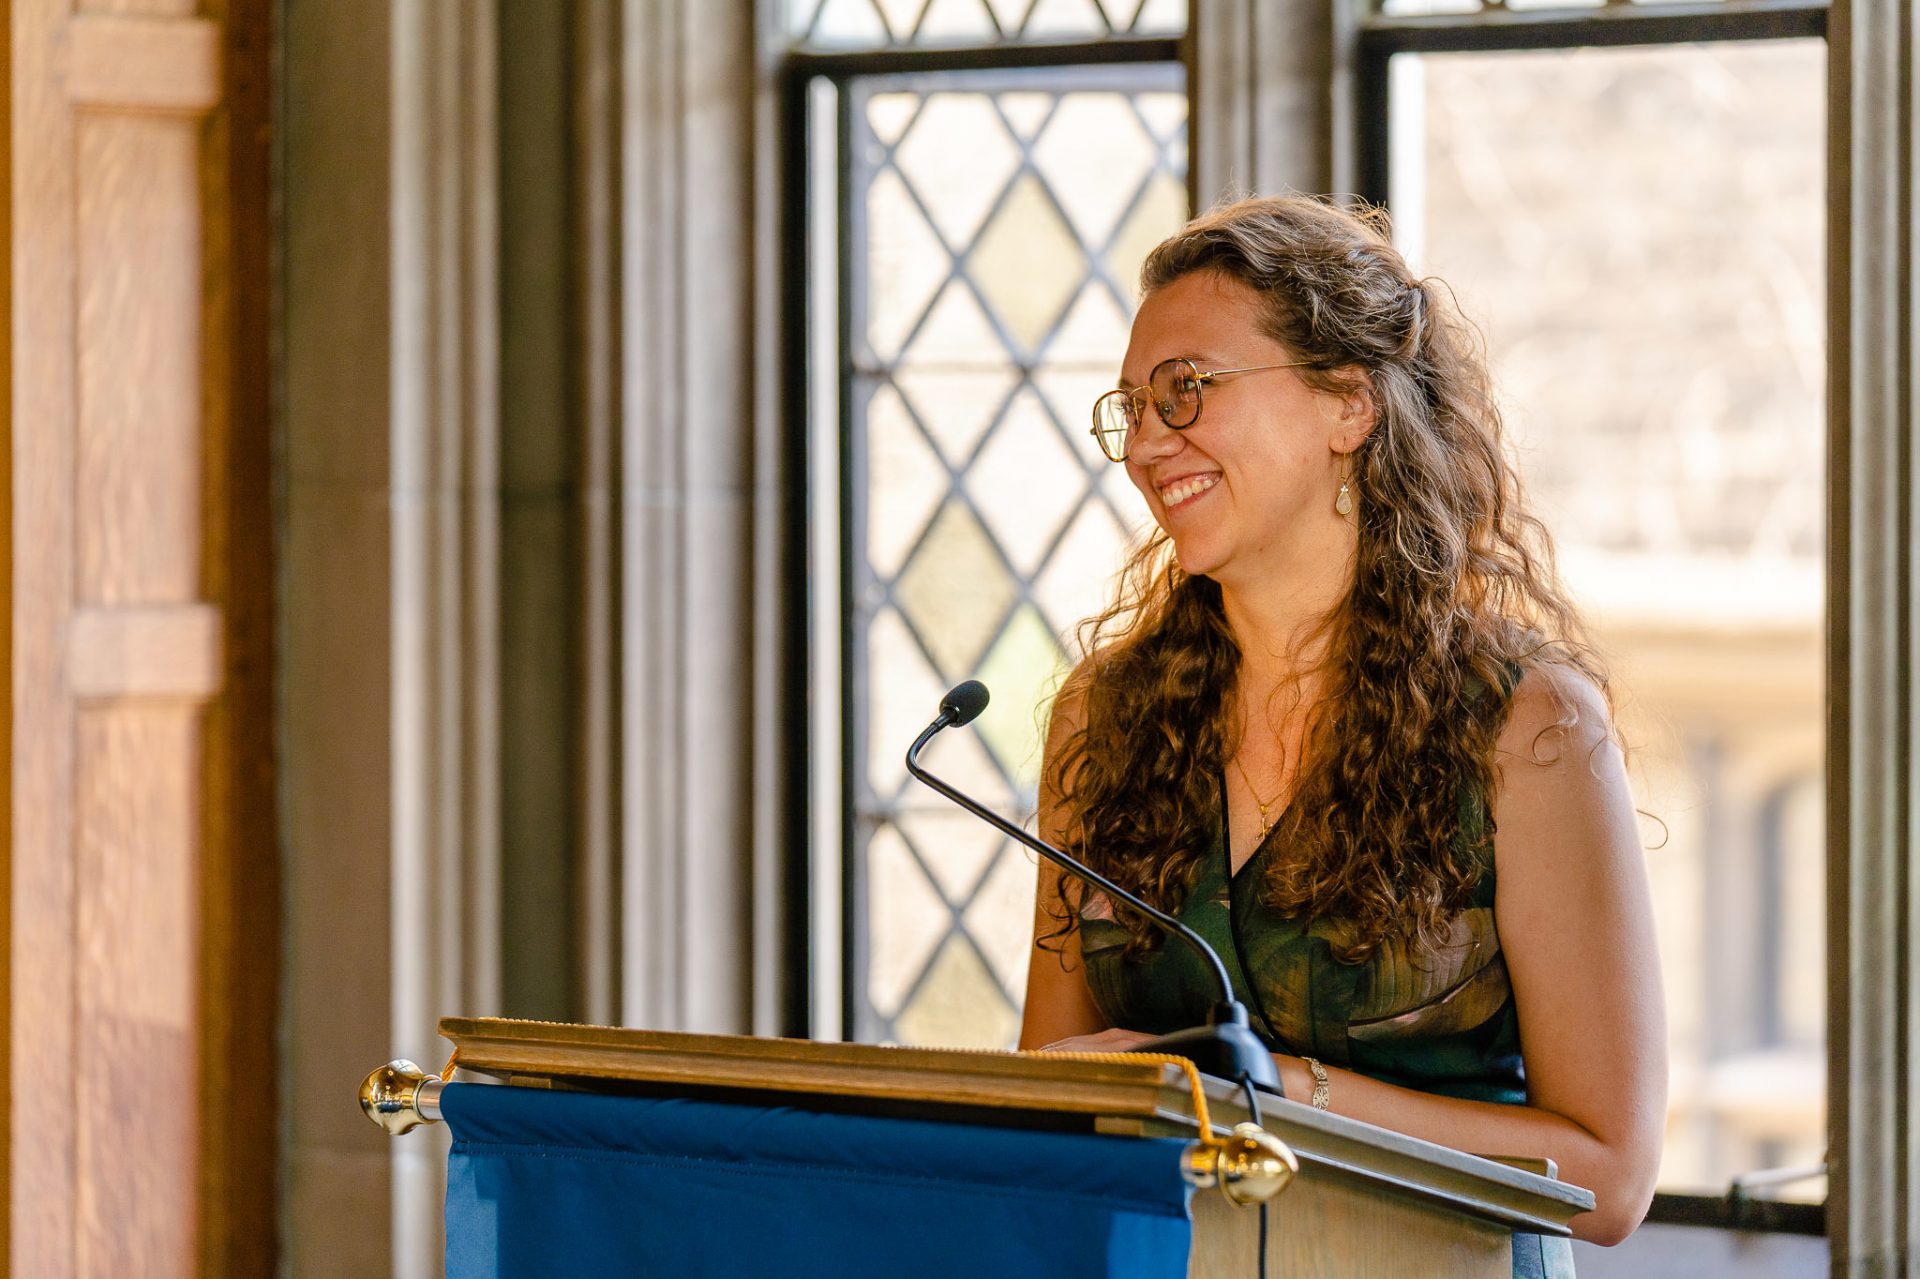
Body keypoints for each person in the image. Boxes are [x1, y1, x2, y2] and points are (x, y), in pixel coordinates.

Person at [1018, 195, 1666, 1255]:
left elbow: (1608, 1176)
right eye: (1129, 406)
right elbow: (1053, 1088)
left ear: (1348, 407)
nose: (1142, 444)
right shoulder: (1106, 713)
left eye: (1185, 391)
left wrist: (1277, 1089)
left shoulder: (1526, 724)